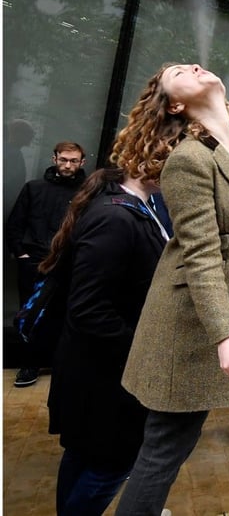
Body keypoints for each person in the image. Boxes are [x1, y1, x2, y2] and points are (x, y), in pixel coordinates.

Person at [115, 63, 229, 514]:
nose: (191, 65)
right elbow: (201, 254)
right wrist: (226, 337)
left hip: (209, 320)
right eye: (177, 74)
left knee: (173, 444)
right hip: (189, 326)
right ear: (176, 104)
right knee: (165, 449)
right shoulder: (189, 159)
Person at [46, 114, 174, 514]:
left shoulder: (144, 205)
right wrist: (144, 346)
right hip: (102, 378)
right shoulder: (116, 217)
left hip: (101, 374)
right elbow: (88, 309)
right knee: (109, 464)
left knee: (85, 457)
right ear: (153, 161)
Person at [7, 141, 87, 387]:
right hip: (35, 262)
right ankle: (28, 365)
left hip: (70, 264)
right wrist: (21, 255)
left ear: (82, 163)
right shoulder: (34, 188)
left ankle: (57, 363)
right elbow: (15, 224)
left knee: (65, 313)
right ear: (54, 159)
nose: (68, 165)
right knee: (30, 314)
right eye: (63, 159)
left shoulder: (88, 192)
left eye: (73, 161)